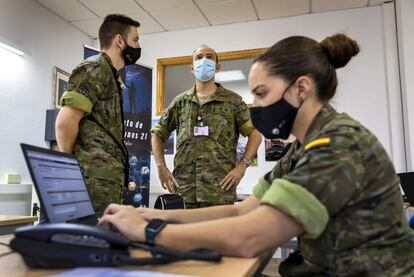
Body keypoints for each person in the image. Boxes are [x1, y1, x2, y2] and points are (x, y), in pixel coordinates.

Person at [99, 33, 414, 276]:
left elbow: (249, 236)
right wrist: (151, 215)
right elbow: (240, 212)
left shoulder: (338, 145)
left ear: (301, 89)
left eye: (262, 94)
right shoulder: (302, 149)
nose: (256, 106)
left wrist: (147, 231)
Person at [151, 45, 262, 208]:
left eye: (210, 57)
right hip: (184, 192)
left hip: (219, 192)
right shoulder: (180, 102)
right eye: (199, 57)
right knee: (186, 234)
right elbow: (158, 134)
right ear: (191, 68)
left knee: (217, 234)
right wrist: (161, 167)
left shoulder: (233, 101)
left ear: (217, 67)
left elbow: (255, 134)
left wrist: (242, 167)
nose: (204, 61)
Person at [55, 14, 141, 214]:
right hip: (91, 180)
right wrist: (72, 167)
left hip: (105, 180)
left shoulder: (110, 74)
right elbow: (65, 122)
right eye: (135, 39)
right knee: (88, 239)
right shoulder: (95, 67)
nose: (138, 46)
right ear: (120, 41)